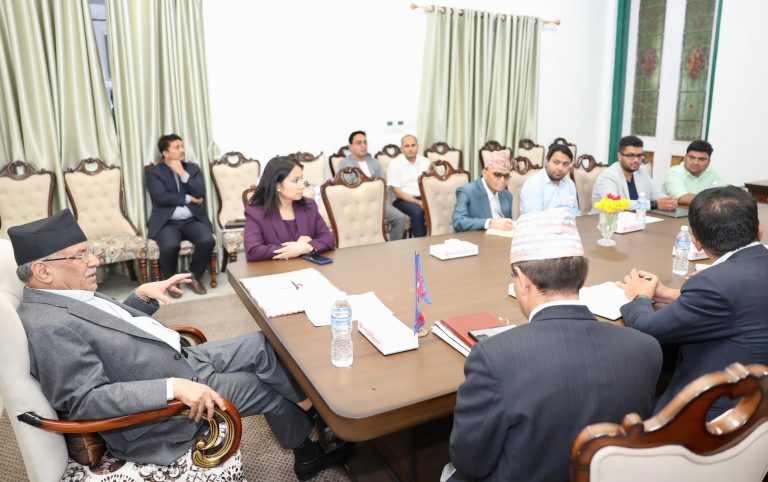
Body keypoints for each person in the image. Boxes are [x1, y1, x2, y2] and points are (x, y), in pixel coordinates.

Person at [8, 210, 349, 480]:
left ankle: (314, 413)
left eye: (89, 251)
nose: (94, 260)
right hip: (162, 409)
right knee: (261, 388)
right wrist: (173, 387)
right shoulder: (49, 326)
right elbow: (86, 400)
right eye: (80, 255)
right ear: (43, 271)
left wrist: (139, 298)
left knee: (263, 344)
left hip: (181, 358)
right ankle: (308, 455)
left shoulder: (64, 293)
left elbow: (107, 332)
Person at [444, 208, 661, 482]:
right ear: (584, 278)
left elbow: (469, 461)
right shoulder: (646, 348)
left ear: (522, 281)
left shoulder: (493, 358)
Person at [618, 185, 768, 420]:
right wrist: (671, 294)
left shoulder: (714, 283)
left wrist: (640, 296)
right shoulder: (744, 270)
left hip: (723, 414)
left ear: (696, 241)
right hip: (758, 397)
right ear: (759, 230)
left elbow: (648, 330)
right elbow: (740, 300)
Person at [146, 134, 215, 297]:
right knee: (170, 246)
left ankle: (194, 276)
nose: (182, 150)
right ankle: (171, 281)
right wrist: (188, 198)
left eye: (182, 146)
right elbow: (160, 197)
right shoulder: (154, 172)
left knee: (207, 240)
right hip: (167, 222)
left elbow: (200, 191)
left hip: (192, 220)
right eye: (177, 147)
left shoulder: (192, 168)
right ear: (165, 153)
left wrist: (182, 173)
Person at [244, 156, 335, 261]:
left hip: (308, 267)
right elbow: (253, 251)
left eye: (301, 179)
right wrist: (295, 249)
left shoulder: (309, 205)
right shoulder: (255, 212)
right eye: (295, 181)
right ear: (277, 185)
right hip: (274, 269)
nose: (302, 185)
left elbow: (329, 239)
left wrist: (306, 247)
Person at [337, 131, 406, 240]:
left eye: (365, 142)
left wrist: (384, 200)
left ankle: (394, 247)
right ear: (350, 146)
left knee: (399, 217)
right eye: (359, 143)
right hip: (358, 204)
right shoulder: (344, 164)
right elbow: (348, 187)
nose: (363, 145)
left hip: (378, 201)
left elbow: (383, 183)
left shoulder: (374, 162)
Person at [591, 135, 677, 212]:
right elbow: (616, 204)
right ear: (620, 156)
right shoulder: (608, 176)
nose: (636, 160)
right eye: (631, 155)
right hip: (605, 222)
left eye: (639, 156)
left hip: (636, 220)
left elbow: (656, 194)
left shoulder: (642, 171)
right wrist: (654, 204)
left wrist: (669, 201)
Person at [452, 151, 514, 232]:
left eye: (506, 176)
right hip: (477, 238)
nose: (502, 180)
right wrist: (490, 223)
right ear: (485, 173)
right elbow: (458, 222)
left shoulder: (507, 195)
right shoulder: (467, 191)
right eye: (497, 175)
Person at [387, 134, 431, 237]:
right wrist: (418, 202)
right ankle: (421, 242)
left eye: (413, 145)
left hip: (424, 197)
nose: (410, 149)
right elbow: (397, 192)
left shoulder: (426, 161)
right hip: (403, 200)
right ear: (401, 148)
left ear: (417, 146)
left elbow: (431, 183)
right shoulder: (394, 164)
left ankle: (438, 238)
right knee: (417, 211)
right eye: (407, 146)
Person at [662, 139, 725, 205]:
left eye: (701, 159)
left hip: (701, 210)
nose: (696, 162)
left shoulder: (711, 172)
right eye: (692, 157)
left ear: (709, 161)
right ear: (685, 158)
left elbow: (724, 196)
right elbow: (683, 198)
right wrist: (714, 200)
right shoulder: (674, 173)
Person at [519, 144, 577, 215]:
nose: (560, 168)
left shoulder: (570, 184)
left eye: (565, 164)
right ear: (546, 161)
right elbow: (535, 219)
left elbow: (574, 213)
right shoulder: (533, 185)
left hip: (567, 222)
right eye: (556, 162)